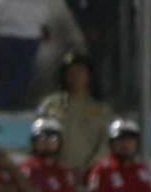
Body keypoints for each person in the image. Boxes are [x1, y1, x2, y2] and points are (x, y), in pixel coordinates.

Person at [37, 52, 111, 180]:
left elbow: (105, 144)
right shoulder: (50, 106)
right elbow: (39, 138)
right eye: (70, 72)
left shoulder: (101, 110)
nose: (75, 76)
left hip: (90, 176)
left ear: (89, 76)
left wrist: (87, 169)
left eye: (80, 71)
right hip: (54, 175)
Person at [21, 117, 88, 192]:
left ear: (59, 142)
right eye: (41, 139)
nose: (47, 143)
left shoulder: (65, 170)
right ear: (34, 142)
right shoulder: (29, 168)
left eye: (52, 139)